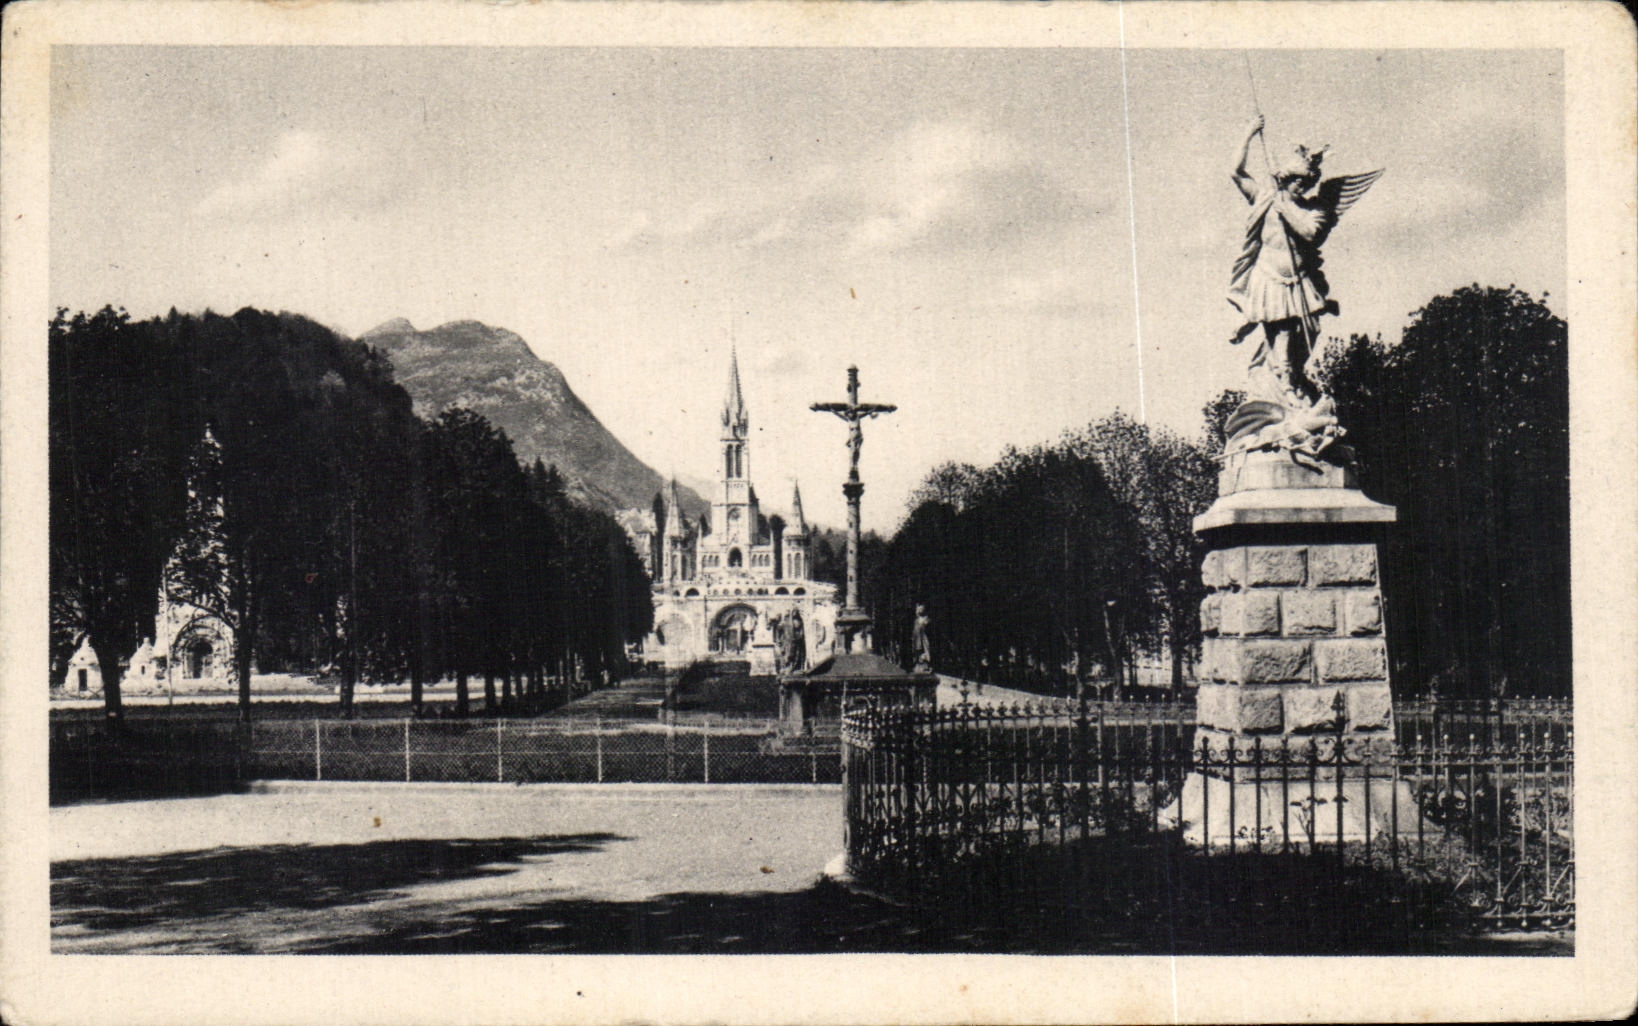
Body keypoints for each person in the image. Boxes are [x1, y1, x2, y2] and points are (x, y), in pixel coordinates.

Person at [1227, 114, 1382, 413]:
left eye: (1306, 182)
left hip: (1301, 282)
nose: (1302, 186)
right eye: (1297, 181)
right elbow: (1236, 171)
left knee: (1310, 332)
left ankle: (1290, 374)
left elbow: (1310, 233)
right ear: (1286, 178)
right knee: (1282, 332)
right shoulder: (1264, 198)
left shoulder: (1314, 210)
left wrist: (1286, 210)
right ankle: (1286, 386)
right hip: (1270, 278)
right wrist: (1248, 132)